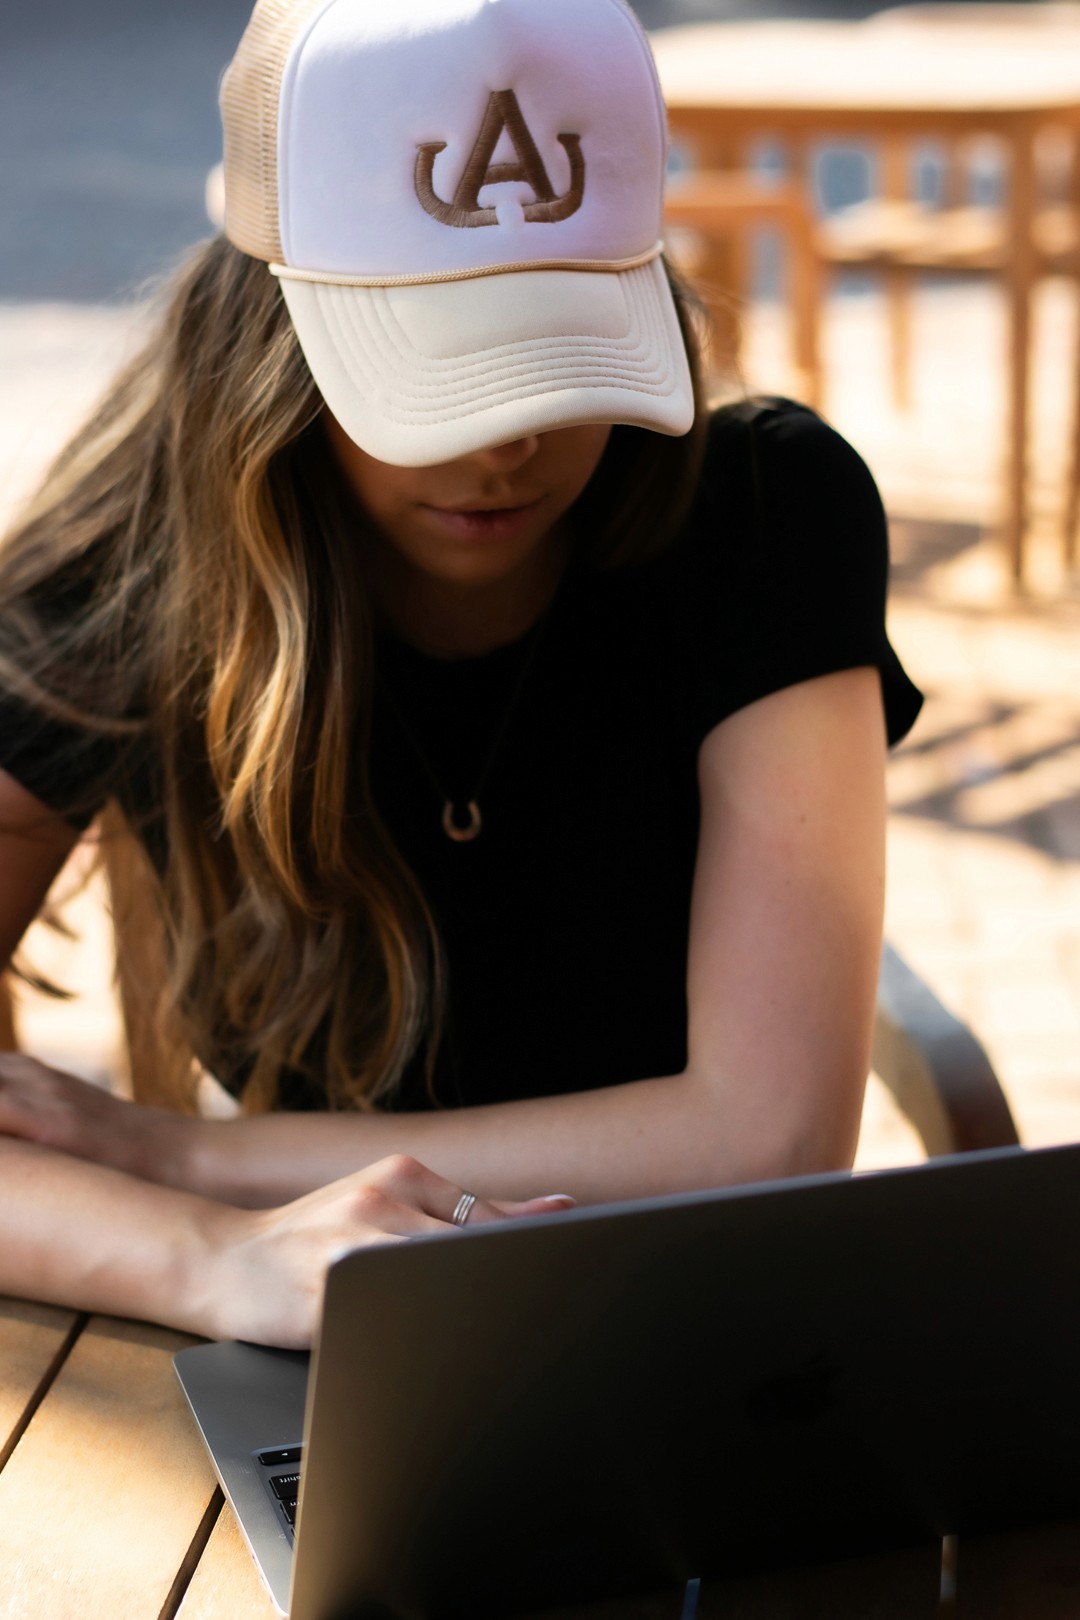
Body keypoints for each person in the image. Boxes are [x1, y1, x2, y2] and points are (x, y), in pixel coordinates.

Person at [0, 0, 920, 1351]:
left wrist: (182, 1160)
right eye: (440, 366)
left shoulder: (766, 514)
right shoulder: (127, 576)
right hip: (332, 1337)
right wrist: (214, 1263)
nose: (511, 444)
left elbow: (768, 1139)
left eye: (560, 349)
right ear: (266, 334)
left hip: (691, 1317)